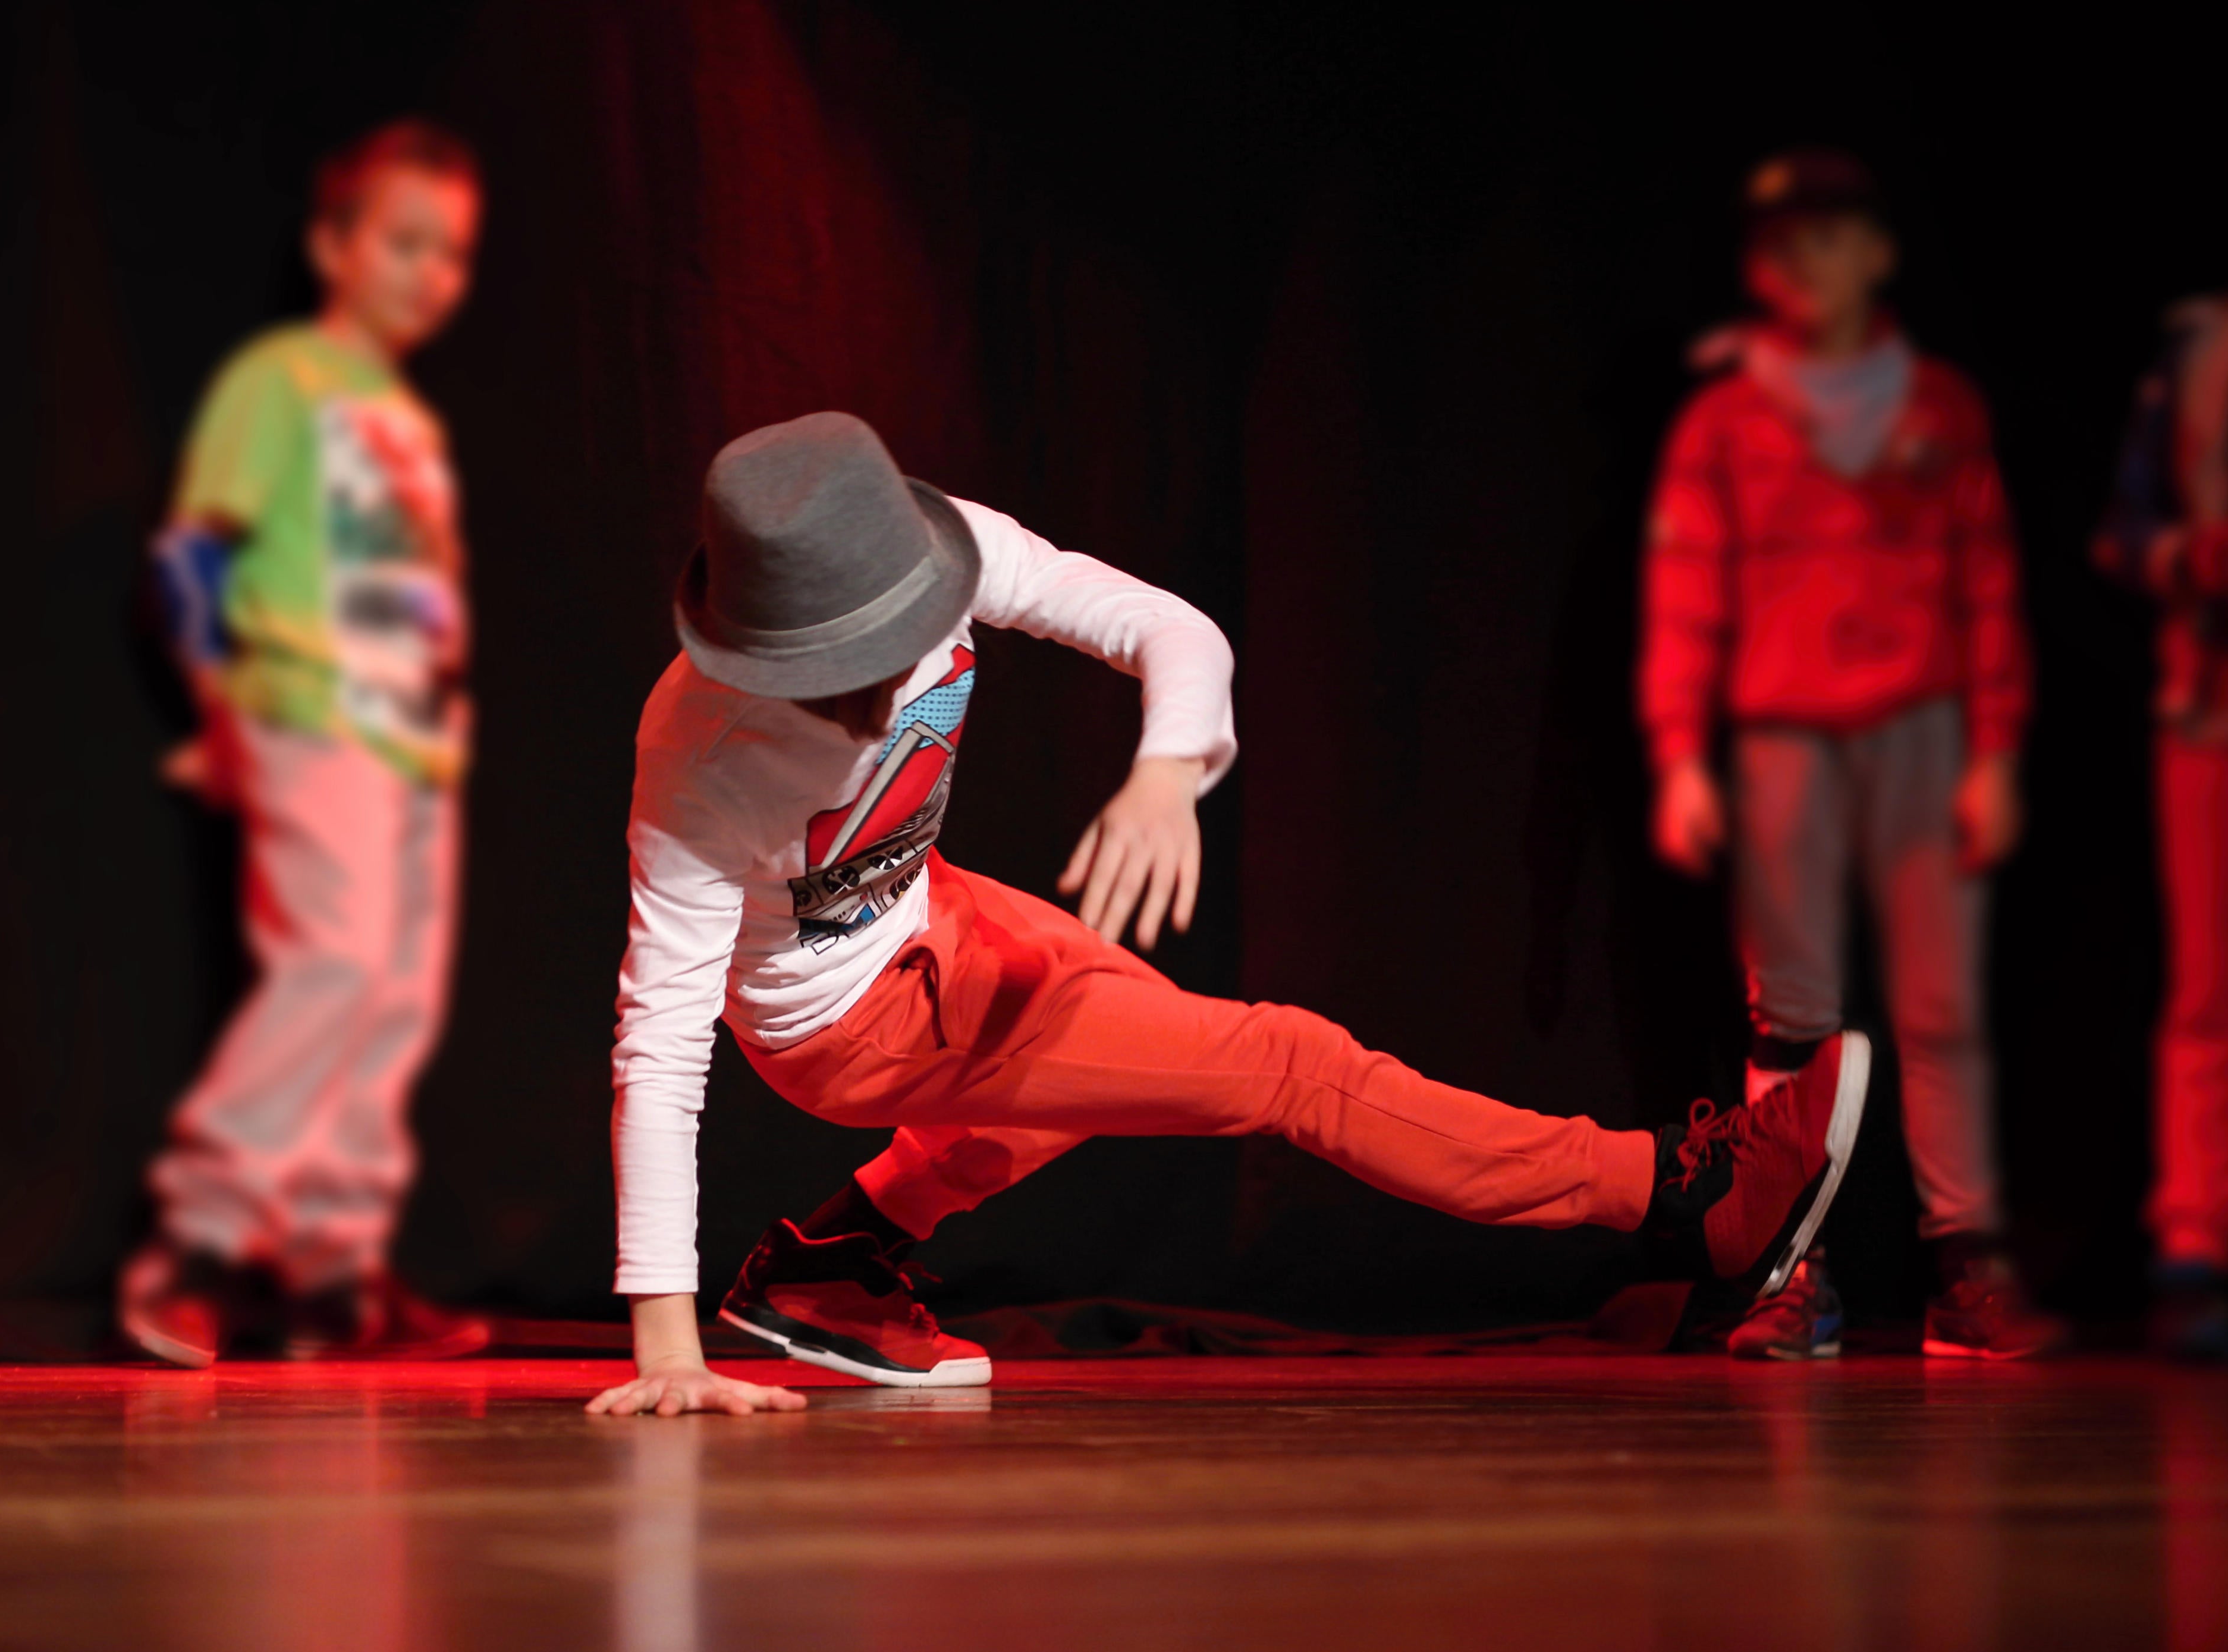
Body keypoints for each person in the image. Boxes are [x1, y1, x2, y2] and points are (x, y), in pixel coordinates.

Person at [585, 410, 1870, 1417]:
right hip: (844, 1026)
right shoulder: (698, 753)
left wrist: (1164, 774)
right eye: (818, 683)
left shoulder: (947, 546)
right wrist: (666, 1343)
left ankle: (836, 1262)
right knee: (1286, 1064)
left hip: (940, 912)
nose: (865, 700)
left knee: (1140, 1051)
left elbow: (1167, 628)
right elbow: (661, 1044)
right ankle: (1674, 1197)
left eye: (880, 656)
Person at [1638, 150, 2064, 1361]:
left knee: (1940, 1005)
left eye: (1830, 238)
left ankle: (1965, 1269)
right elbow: (1685, 595)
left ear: (1876, 253)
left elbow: (1986, 583)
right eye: (1781, 245)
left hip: (1920, 735)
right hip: (1783, 745)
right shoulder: (1727, 417)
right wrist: (1678, 756)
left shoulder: (1939, 406)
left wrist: (1994, 752)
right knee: (1794, 1018)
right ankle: (1793, 1270)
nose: (1803, 265)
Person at [121, 120, 489, 1367]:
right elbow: (195, 548)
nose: (429, 273)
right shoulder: (281, 378)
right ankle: (202, 1244)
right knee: (328, 965)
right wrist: (222, 702)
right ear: (333, 245)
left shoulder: (406, 418)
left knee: (394, 998)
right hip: (311, 711)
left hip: (416, 739)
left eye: (451, 254)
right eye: (403, 242)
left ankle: (332, 1273)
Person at [2096, 71, 2228, 1362]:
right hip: (2217, 716)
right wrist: (2202, 563)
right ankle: (2196, 1242)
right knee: (2214, 987)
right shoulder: (2206, 344)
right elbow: (2127, 527)